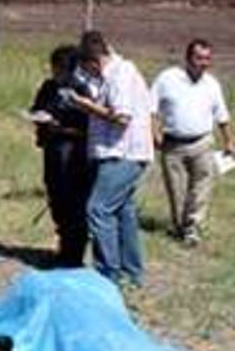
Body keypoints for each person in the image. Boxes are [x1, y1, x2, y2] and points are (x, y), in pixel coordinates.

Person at [67, 30, 154, 287]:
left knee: (98, 208)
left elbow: (121, 116)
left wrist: (86, 106)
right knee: (122, 211)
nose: (88, 75)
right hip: (115, 152)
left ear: (94, 61)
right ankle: (131, 272)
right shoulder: (108, 75)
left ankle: (108, 274)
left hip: (123, 153)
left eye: (88, 69)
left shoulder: (121, 74)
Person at [150, 39, 234, 246]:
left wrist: (229, 141)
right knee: (176, 190)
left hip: (202, 143)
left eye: (207, 58)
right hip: (173, 144)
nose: (204, 63)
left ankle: (193, 227)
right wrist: (154, 133)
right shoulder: (167, 79)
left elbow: (222, 116)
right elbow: (150, 108)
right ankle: (180, 226)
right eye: (199, 58)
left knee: (202, 186)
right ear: (188, 59)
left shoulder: (212, 84)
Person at [29, 45, 92, 266]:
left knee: (73, 202)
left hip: (74, 152)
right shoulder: (48, 87)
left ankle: (73, 253)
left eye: (61, 68)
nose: (56, 73)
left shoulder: (83, 91)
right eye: (54, 68)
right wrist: (39, 118)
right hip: (52, 149)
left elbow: (88, 125)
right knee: (55, 195)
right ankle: (63, 245)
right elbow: (36, 107)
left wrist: (60, 126)